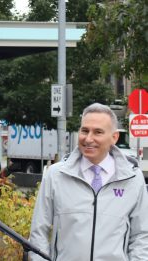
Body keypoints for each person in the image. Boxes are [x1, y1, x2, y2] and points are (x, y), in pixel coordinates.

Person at [29, 103, 148, 260]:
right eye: (84, 130)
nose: (88, 138)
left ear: (114, 137)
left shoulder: (133, 178)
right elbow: (39, 232)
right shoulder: (55, 175)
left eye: (98, 132)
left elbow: (141, 237)